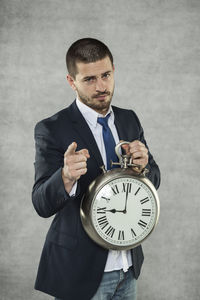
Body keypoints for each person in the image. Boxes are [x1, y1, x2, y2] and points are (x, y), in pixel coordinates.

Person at [32, 38, 160, 300]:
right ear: (71, 81)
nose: (101, 86)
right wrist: (65, 177)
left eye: (106, 75)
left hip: (127, 267)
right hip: (80, 271)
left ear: (114, 69)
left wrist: (144, 166)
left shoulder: (129, 119)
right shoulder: (52, 129)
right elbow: (41, 204)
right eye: (89, 79)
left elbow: (154, 180)